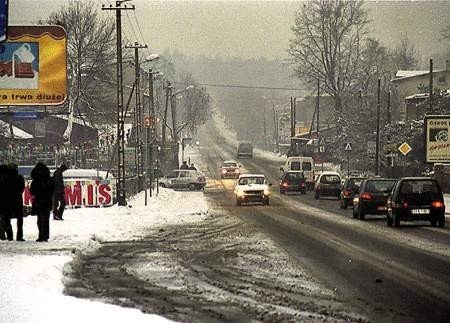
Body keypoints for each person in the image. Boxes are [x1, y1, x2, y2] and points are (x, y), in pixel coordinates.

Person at [30, 162, 54, 242]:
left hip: (38, 201)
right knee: (46, 219)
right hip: (47, 201)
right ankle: (46, 236)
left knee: (40, 219)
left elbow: (32, 191)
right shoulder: (49, 180)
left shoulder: (35, 181)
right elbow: (52, 190)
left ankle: (41, 235)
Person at [5, 164, 25, 241]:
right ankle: (19, 236)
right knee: (19, 219)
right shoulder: (19, 177)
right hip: (17, 199)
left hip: (7, 200)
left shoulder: (5, 178)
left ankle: (10, 235)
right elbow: (22, 188)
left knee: (7, 218)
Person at [0, 164, 10, 241]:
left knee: (2, 219)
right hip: (7, 201)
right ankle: (9, 234)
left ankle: (2, 234)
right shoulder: (9, 178)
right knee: (6, 219)